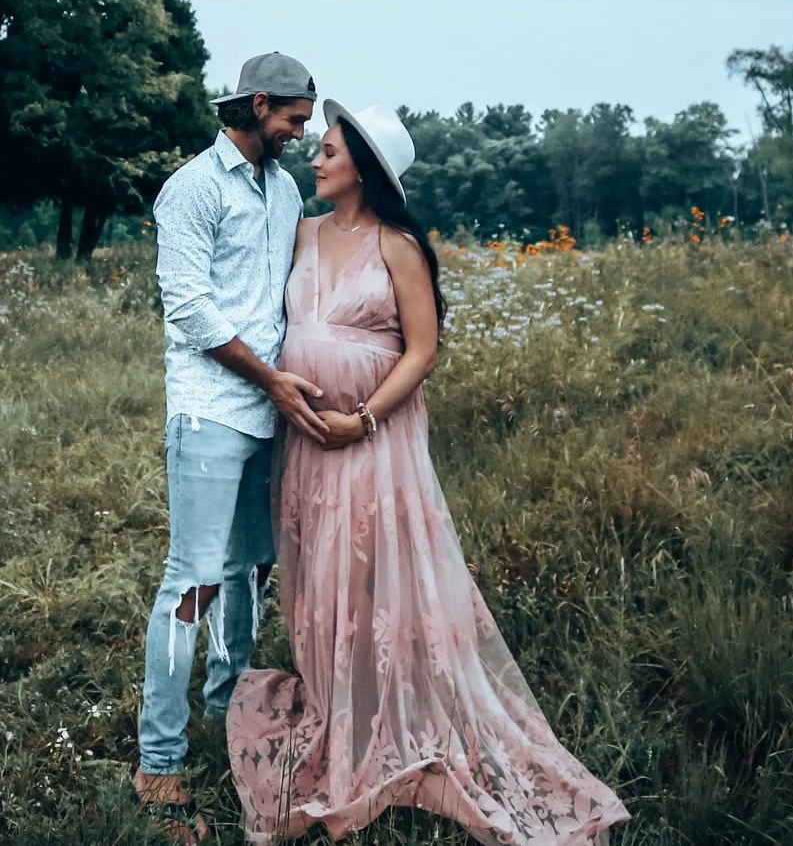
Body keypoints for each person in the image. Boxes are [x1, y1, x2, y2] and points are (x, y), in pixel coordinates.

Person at [228, 102, 629, 845]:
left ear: (365, 169)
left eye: (330, 152)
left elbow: (421, 349)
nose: (315, 161)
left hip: (372, 441)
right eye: (315, 148)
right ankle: (338, 704)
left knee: (377, 576)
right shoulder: (303, 234)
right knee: (319, 583)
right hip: (307, 442)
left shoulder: (400, 245)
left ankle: (394, 712)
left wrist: (366, 415)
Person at [137, 52, 333, 844]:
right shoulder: (193, 186)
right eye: (293, 117)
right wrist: (272, 379)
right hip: (213, 411)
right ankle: (157, 762)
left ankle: (229, 705)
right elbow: (188, 307)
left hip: (269, 414)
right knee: (194, 580)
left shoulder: (283, 190)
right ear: (258, 104)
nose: (300, 132)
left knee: (250, 567)